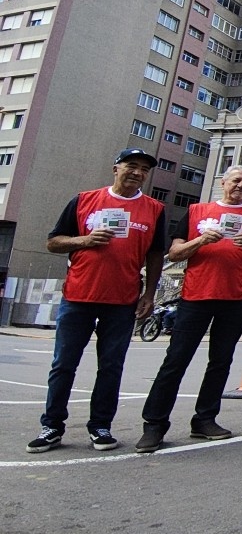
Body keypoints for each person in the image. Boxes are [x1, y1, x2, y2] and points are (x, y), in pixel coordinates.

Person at [27, 148, 166, 453]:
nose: (138, 172)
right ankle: (52, 426)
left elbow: (156, 254)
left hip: (123, 300)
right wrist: (85, 241)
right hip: (79, 296)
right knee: (63, 364)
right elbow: (53, 242)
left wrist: (149, 294)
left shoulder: (155, 209)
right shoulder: (83, 200)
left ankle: (100, 426)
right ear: (116, 168)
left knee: (111, 366)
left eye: (144, 169)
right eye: (131, 166)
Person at [137, 165, 242, 453]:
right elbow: (174, 252)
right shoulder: (197, 211)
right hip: (196, 296)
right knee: (176, 360)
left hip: (235, 298)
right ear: (223, 183)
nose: (241, 186)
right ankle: (154, 424)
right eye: (236, 181)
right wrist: (201, 240)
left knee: (220, 362)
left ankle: (205, 419)